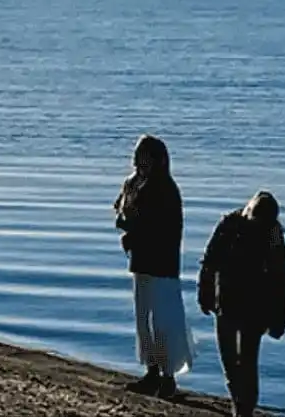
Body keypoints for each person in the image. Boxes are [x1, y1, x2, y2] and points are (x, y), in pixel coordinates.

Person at [198, 190, 285, 417]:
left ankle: (243, 409)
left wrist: (279, 319)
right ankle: (239, 404)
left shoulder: (273, 233)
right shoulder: (229, 225)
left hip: (255, 308)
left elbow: (280, 279)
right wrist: (205, 292)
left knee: (247, 362)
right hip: (227, 302)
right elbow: (210, 262)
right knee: (230, 360)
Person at [112, 135, 191, 396]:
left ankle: (167, 376)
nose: (136, 160)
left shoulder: (163, 188)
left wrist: (131, 228)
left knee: (163, 320)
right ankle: (153, 371)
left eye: (142, 155)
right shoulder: (138, 184)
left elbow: (153, 225)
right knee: (144, 318)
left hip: (162, 263)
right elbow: (126, 214)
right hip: (144, 260)